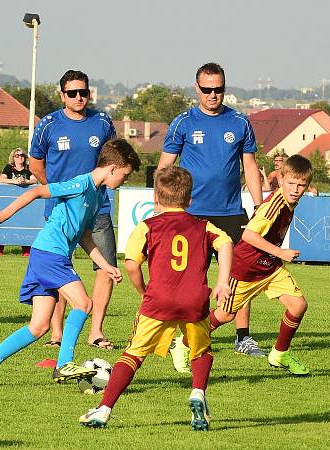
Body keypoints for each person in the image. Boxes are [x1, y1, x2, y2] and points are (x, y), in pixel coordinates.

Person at [0, 139, 141, 388]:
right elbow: (37, 191)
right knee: (83, 303)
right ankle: (64, 364)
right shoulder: (81, 184)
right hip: (51, 254)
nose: (124, 181)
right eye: (125, 175)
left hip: (45, 255)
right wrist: (4, 215)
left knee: (38, 327)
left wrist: (105, 265)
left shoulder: (97, 195)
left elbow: (84, 236)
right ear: (113, 168)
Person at [79, 166, 233, 431]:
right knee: (201, 350)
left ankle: (103, 409)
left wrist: (143, 291)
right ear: (190, 199)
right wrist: (222, 282)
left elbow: (130, 264)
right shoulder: (203, 226)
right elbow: (227, 243)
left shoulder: (147, 226)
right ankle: (198, 392)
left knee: (134, 355)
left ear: (156, 200)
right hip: (194, 299)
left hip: (158, 299)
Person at [158, 62, 265, 370]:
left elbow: (250, 166)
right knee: (193, 279)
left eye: (218, 89)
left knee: (241, 275)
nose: (213, 95)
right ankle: (188, 334)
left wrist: (259, 206)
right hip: (191, 212)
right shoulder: (183, 122)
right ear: (197, 89)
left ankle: (242, 336)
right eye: (207, 89)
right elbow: (166, 167)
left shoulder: (240, 122)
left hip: (231, 212)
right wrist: (160, 204)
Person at [29, 69, 118, 350]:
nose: (79, 97)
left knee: (105, 267)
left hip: (98, 209)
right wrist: (59, 191)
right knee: (59, 270)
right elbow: (35, 165)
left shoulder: (102, 122)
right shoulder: (48, 125)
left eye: (83, 92)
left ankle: (96, 331)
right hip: (60, 211)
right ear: (62, 96)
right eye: (72, 93)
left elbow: (113, 159)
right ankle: (56, 334)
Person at [209, 154, 314, 376]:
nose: (295, 189)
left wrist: (276, 256)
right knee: (225, 315)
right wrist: (280, 252)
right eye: (291, 183)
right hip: (246, 268)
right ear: (281, 179)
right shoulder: (273, 205)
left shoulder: (290, 201)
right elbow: (248, 235)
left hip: (270, 268)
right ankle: (185, 341)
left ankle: (280, 354)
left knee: (298, 305)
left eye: (301, 185)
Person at [0, 147, 36, 257]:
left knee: (25, 224)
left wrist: (26, 181)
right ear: (13, 157)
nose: (20, 157)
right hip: (8, 200)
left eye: (22, 155)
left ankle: (27, 250)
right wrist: (15, 181)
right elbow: (1, 179)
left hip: (25, 201)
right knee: (4, 223)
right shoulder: (8, 168)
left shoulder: (28, 168)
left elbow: (35, 180)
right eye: (17, 155)